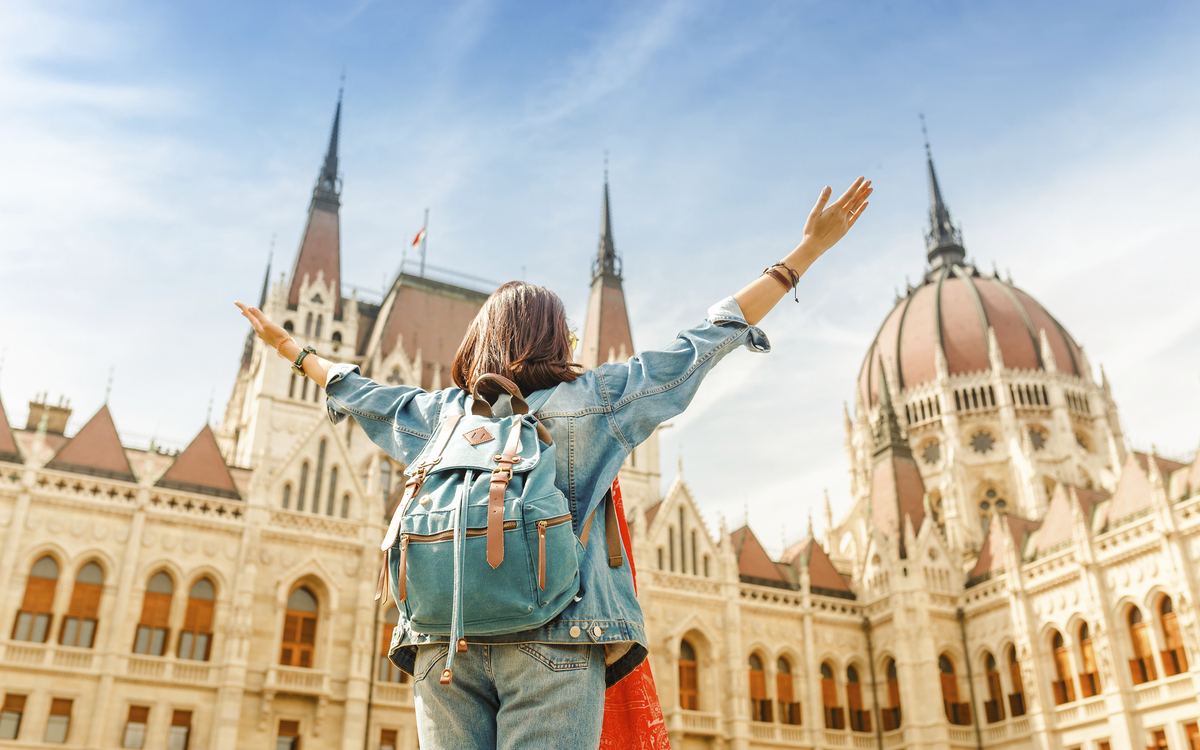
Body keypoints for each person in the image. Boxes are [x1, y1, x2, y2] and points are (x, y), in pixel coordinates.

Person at [237, 176, 871, 749]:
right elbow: (702, 343)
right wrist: (803, 255)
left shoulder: (441, 415)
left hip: (439, 641)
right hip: (554, 637)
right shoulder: (592, 404)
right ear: (558, 340)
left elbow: (360, 394)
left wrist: (292, 351)